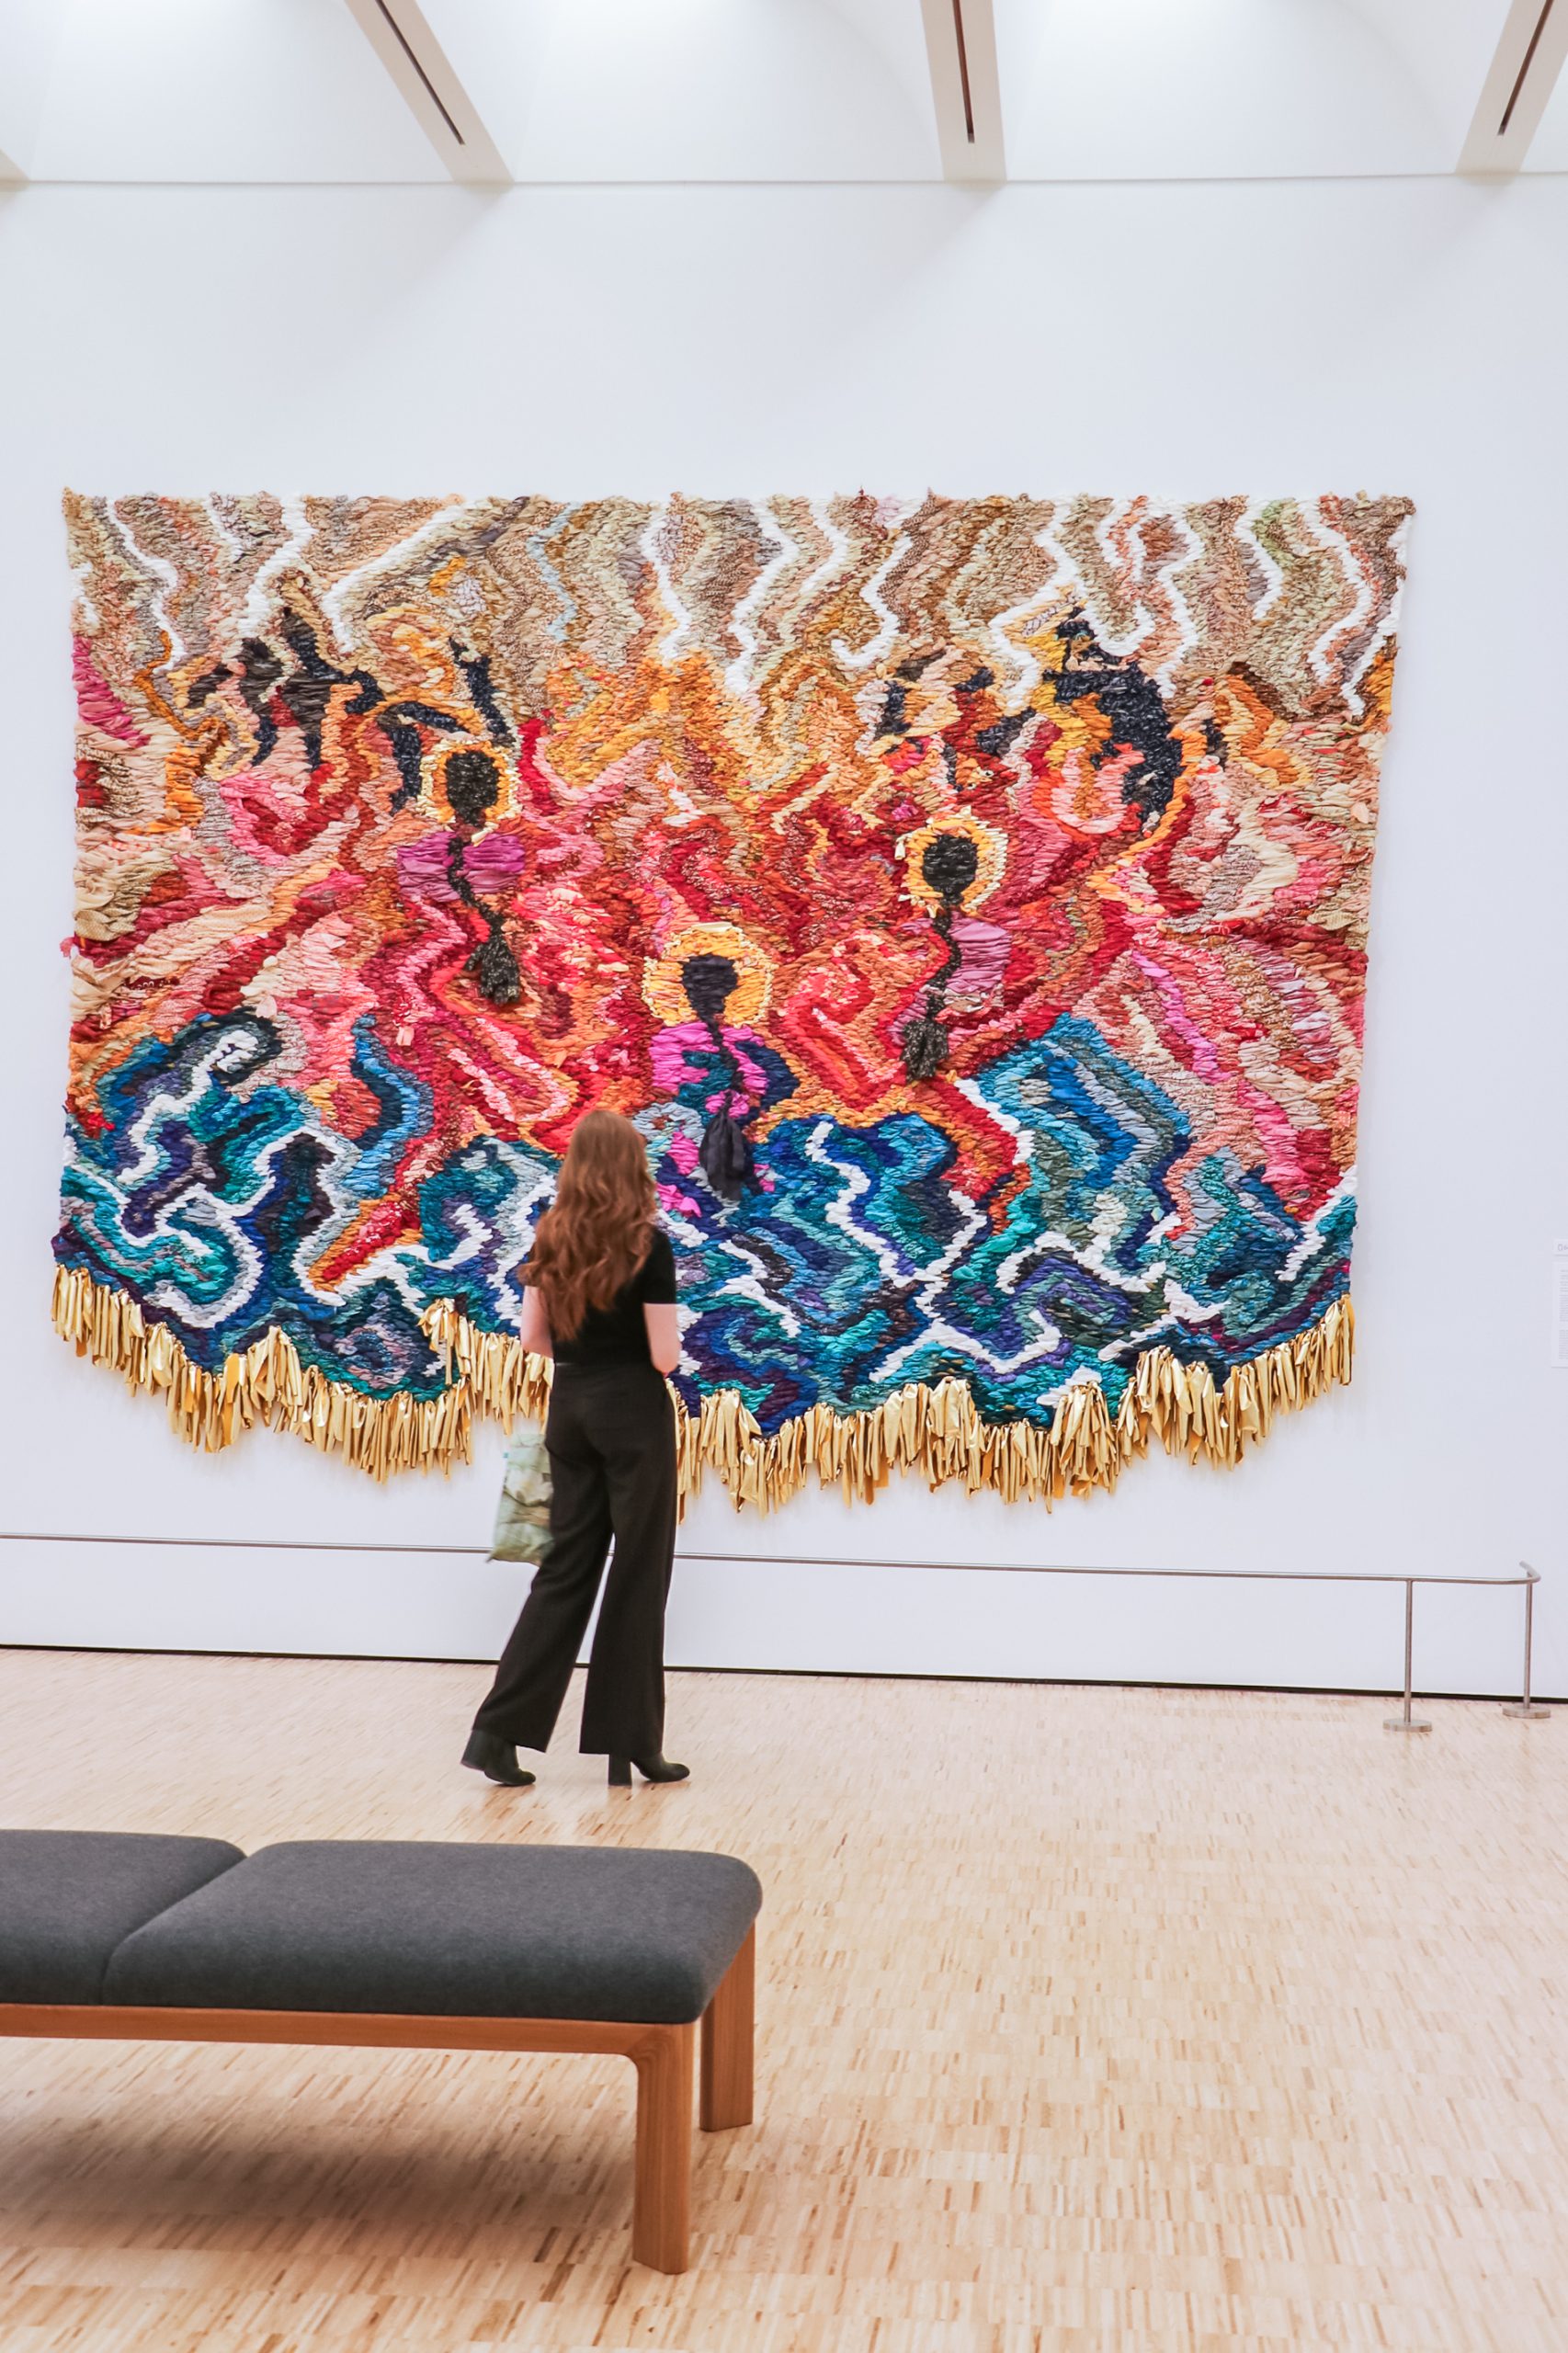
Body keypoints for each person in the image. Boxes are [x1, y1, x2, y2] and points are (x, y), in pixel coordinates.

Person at [461, 1108, 689, 1791]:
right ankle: (632, 1745)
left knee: (564, 1571)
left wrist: (587, 1352)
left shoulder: (551, 1237)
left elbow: (533, 1340)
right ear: (631, 1167)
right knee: (638, 1574)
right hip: (633, 1416)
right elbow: (664, 1357)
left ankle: (494, 1736)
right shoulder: (649, 1245)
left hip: (570, 1409)